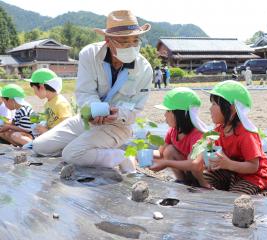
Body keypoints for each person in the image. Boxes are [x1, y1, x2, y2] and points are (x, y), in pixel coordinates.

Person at [32, 10, 153, 169]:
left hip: (117, 126)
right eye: (124, 41)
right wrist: (94, 111)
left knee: (71, 154)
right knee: (40, 146)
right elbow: (85, 92)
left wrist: (117, 114)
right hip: (87, 119)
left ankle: (121, 156)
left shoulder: (145, 70)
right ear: (108, 41)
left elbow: (135, 110)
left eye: (135, 40)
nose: (131, 46)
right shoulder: (89, 55)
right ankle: (94, 148)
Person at [193, 80, 267, 195]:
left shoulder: (246, 134)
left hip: (252, 177)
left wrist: (228, 164)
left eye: (215, 104)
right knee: (201, 178)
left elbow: (253, 166)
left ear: (233, 108)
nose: (210, 109)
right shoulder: (218, 131)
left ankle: (266, 192)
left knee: (235, 197)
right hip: (230, 173)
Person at [149, 87, 208, 186]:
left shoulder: (198, 134)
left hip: (202, 173)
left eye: (168, 111)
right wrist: (140, 153)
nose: (164, 115)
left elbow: (196, 164)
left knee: (192, 157)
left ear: (179, 114)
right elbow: (160, 153)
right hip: (187, 170)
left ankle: (203, 186)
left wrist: (166, 163)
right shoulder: (173, 131)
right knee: (169, 150)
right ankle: (182, 181)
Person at [26, 68, 73, 135]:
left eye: (34, 89)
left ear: (41, 87)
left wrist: (46, 131)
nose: (34, 93)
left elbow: (68, 128)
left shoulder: (61, 103)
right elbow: (51, 124)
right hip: (51, 137)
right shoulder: (48, 103)